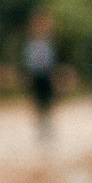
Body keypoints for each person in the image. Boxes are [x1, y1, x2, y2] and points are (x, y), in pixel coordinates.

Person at [22, 8, 60, 143]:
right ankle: (41, 126)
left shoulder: (51, 42)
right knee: (38, 102)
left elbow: (56, 61)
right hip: (36, 76)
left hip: (48, 75)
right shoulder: (31, 43)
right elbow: (27, 62)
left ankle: (48, 124)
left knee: (49, 101)